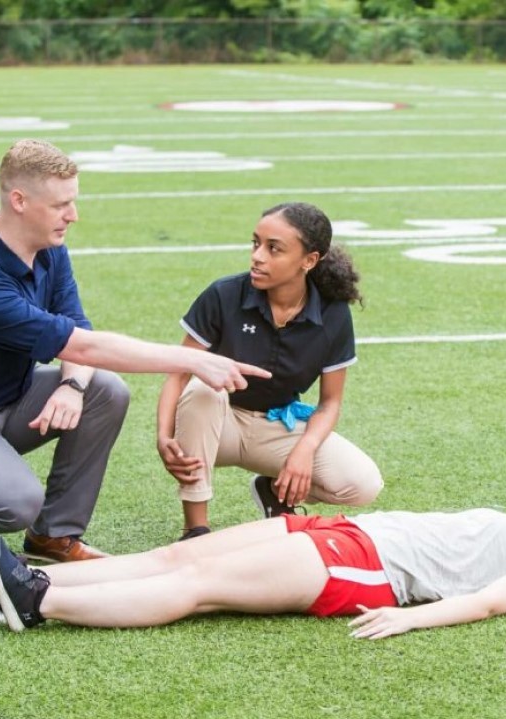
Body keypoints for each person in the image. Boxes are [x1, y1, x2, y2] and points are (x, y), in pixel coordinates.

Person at [0, 139, 270, 571]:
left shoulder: (50, 251)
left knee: (103, 390)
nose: (73, 215)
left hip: (1, 401)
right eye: (61, 204)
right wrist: (193, 359)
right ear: (19, 200)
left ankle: (55, 534)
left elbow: (77, 330)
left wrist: (70, 385)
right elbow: (82, 345)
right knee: (16, 504)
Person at [0, 502, 506, 636]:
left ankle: (40, 603)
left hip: (361, 566)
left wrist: (408, 618)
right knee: (178, 555)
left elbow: (490, 603)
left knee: (198, 589)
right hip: (344, 533)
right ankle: (21, 573)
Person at [156, 201, 382, 541]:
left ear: (309, 261)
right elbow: (179, 372)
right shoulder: (224, 294)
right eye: (255, 243)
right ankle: (196, 528)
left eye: (274, 249)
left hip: (276, 427)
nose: (258, 256)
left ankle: (275, 491)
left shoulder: (333, 314)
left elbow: (330, 403)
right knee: (204, 389)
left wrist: (303, 452)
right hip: (215, 425)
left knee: (362, 484)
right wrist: (163, 435)